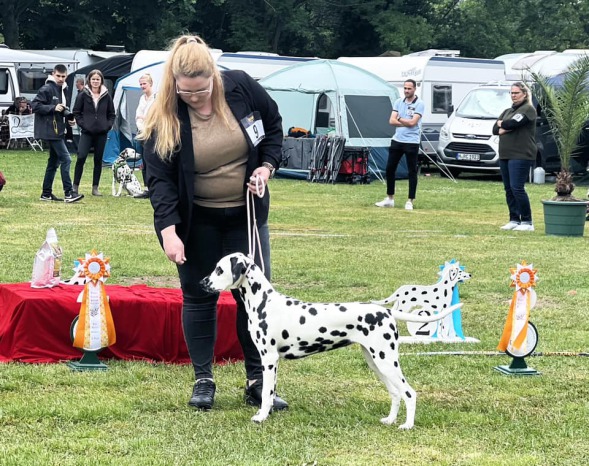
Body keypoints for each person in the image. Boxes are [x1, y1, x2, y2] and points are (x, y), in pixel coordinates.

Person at [140, 35, 285, 411]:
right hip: (197, 220)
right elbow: (159, 180)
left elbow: (273, 126)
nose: (195, 98)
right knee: (199, 295)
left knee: (254, 298)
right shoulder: (165, 114)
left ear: (214, 77)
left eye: (201, 90)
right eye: (186, 92)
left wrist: (266, 167)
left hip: (246, 216)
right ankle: (203, 379)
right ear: (174, 83)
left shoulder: (241, 87)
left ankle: (258, 381)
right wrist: (169, 231)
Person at [32, 64, 83, 203]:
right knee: (66, 159)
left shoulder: (64, 88)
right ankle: (69, 193)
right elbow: (35, 106)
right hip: (50, 131)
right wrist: (53, 107)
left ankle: (46, 194)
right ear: (53, 74)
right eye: (58, 76)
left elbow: (62, 109)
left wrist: (69, 119)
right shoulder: (47, 88)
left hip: (58, 130)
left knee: (53, 163)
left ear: (66, 76)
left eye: (63, 76)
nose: (60, 78)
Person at [493, 82, 537, 231]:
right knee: (508, 189)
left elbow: (513, 124)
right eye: (512, 93)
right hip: (505, 154)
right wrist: (503, 125)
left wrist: (503, 125)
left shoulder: (528, 109)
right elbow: (494, 129)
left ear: (524, 94)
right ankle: (514, 219)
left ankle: (527, 221)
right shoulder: (507, 111)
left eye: (516, 93)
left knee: (517, 188)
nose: (513, 95)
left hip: (521, 154)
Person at [375, 79, 424, 210]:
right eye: (405, 88)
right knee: (390, 168)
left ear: (414, 89)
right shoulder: (398, 102)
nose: (406, 91)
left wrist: (400, 119)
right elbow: (391, 121)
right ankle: (390, 198)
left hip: (412, 142)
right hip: (397, 140)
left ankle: (410, 201)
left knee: (411, 171)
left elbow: (413, 123)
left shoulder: (419, 104)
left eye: (409, 88)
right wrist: (405, 122)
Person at [72, 70, 116, 196]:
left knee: (98, 159)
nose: (95, 81)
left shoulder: (106, 96)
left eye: (98, 79)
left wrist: (107, 125)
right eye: (93, 79)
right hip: (87, 132)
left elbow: (111, 114)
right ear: (89, 80)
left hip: (101, 133)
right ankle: (75, 186)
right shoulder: (83, 94)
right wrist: (83, 124)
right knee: (81, 157)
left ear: (101, 81)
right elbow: (76, 112)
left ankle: (95, 187)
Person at [134, 73, 156, 196]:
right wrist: (142, 124)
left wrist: (145, 118)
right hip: (142, 133)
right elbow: (138, 116)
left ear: (150, 84)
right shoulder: (142, 98)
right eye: (141, 84)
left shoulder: (156, 98)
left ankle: (155, 187)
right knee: (144, 161)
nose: (142, 86)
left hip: (153, 133)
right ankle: (147, 188)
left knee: (153, 161)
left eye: (144, 84)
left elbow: (155, 116)